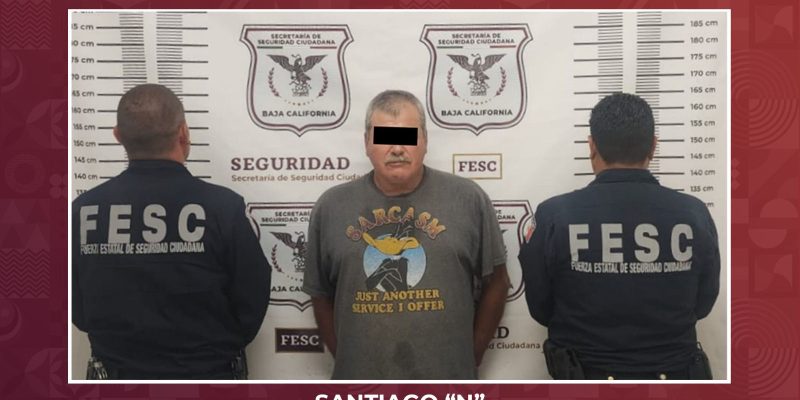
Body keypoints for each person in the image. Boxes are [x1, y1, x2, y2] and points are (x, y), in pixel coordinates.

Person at [302, 90, 509, 379]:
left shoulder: (468, 199)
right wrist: (349, 360)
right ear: (366, 143)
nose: (397, 148)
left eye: (408, 136)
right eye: (384, 137)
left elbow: (498, 282)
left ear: (425, 141)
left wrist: (469, 357)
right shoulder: (331, 206)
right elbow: (320, 293)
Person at [72, 84, 271, 379]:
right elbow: (252, 299)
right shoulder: (223, 207)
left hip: (116, 378)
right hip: (209, 376)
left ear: (117, 136)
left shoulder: (82, 210)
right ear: (183, 132)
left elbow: (77, 307)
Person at [519, 93, 720, 380]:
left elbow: (540, 308)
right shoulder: (694, 214)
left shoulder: (554, 216)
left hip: (583, 379)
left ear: (592, 146)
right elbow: (703, 303)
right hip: (674, 378)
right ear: (653, 146)